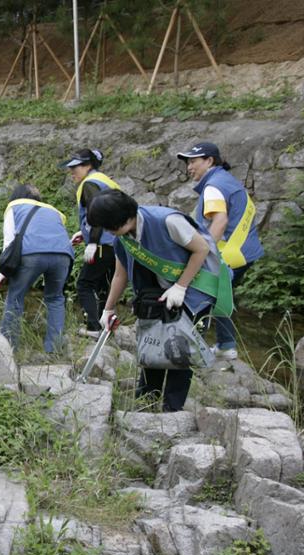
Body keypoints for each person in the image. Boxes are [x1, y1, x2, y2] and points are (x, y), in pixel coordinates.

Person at [91, 190, 226, 412]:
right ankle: (147, 402)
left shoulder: (167, 221)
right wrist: (108, 308)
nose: (109, 232)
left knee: (180, 351)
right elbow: (120, 274)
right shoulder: (122, 239)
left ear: (125, 217)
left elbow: (202, 249)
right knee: (152, 345)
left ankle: (172, 409)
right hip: (156, 294)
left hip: (193, 290)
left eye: (109, 226)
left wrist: (181, 286)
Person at [177, 141, 263, 360]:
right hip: (244, 252)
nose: (189, 167)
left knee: (201, 295)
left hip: (229, 254)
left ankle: (192, 349)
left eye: (193, 161)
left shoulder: (213, 186)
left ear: (209, 161)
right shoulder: (227, 181)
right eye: (188, 162)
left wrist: (203, 252)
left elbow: (220, 221)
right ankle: (226, 345)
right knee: (220, 294)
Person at [0, 184, 73, 353]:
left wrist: (3, 272)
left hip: (31, 253)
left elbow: (9, 241)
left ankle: (9, 347)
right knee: (55, 299)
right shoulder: (54, 210)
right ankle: (54, 349)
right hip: (63, 254)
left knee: (15, 297)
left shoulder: (13, 207)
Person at [60, 148, 120, 336]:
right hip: (116, 243)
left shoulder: (90, 184)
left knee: (84, 284)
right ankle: (106, 326)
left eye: (75, 167)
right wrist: (84, 231)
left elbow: (97, 213)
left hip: (102, 243)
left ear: (88, 166)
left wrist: (93, 241)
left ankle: (93, 327)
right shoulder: (106, 181)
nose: (71, 172)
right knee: (104, 285)